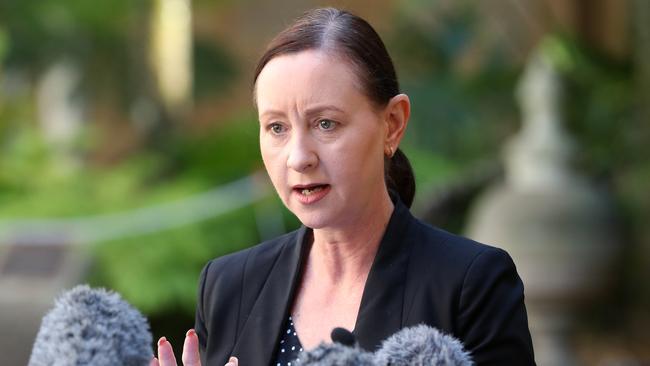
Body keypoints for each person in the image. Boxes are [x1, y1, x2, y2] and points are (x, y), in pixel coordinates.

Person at [152, 7, 536, 366]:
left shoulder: (471, 285)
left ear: (393, 124)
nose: (298, 157)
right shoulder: (228, 285)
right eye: (276, 128)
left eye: (325, 124)